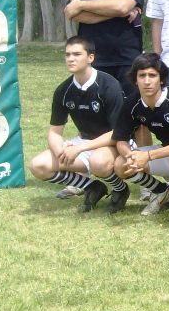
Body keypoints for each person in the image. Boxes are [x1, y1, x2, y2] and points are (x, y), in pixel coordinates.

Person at [94, 52, 169, 216]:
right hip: (164, 152)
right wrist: (130, 156)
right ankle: (162, 191)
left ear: (161, 79)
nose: (147, 81)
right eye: (142, 76)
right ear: (135, 80)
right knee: (122, 164)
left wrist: (148, 155)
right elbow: (120, 138)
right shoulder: (133, 102)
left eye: (152, 75)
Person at [27, 36, 122, 211]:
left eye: (77, 54)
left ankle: (120, 189)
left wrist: (79, 149)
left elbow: (118, 132)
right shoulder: (63, 90)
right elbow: (55, 132)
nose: (71, 59)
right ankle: (92, 187)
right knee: (38, 166)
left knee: (98, 162)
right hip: (84, 142)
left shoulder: (109, 85)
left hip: (115, 143)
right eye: (67, 55)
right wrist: (60, 152)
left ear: (90, 58)